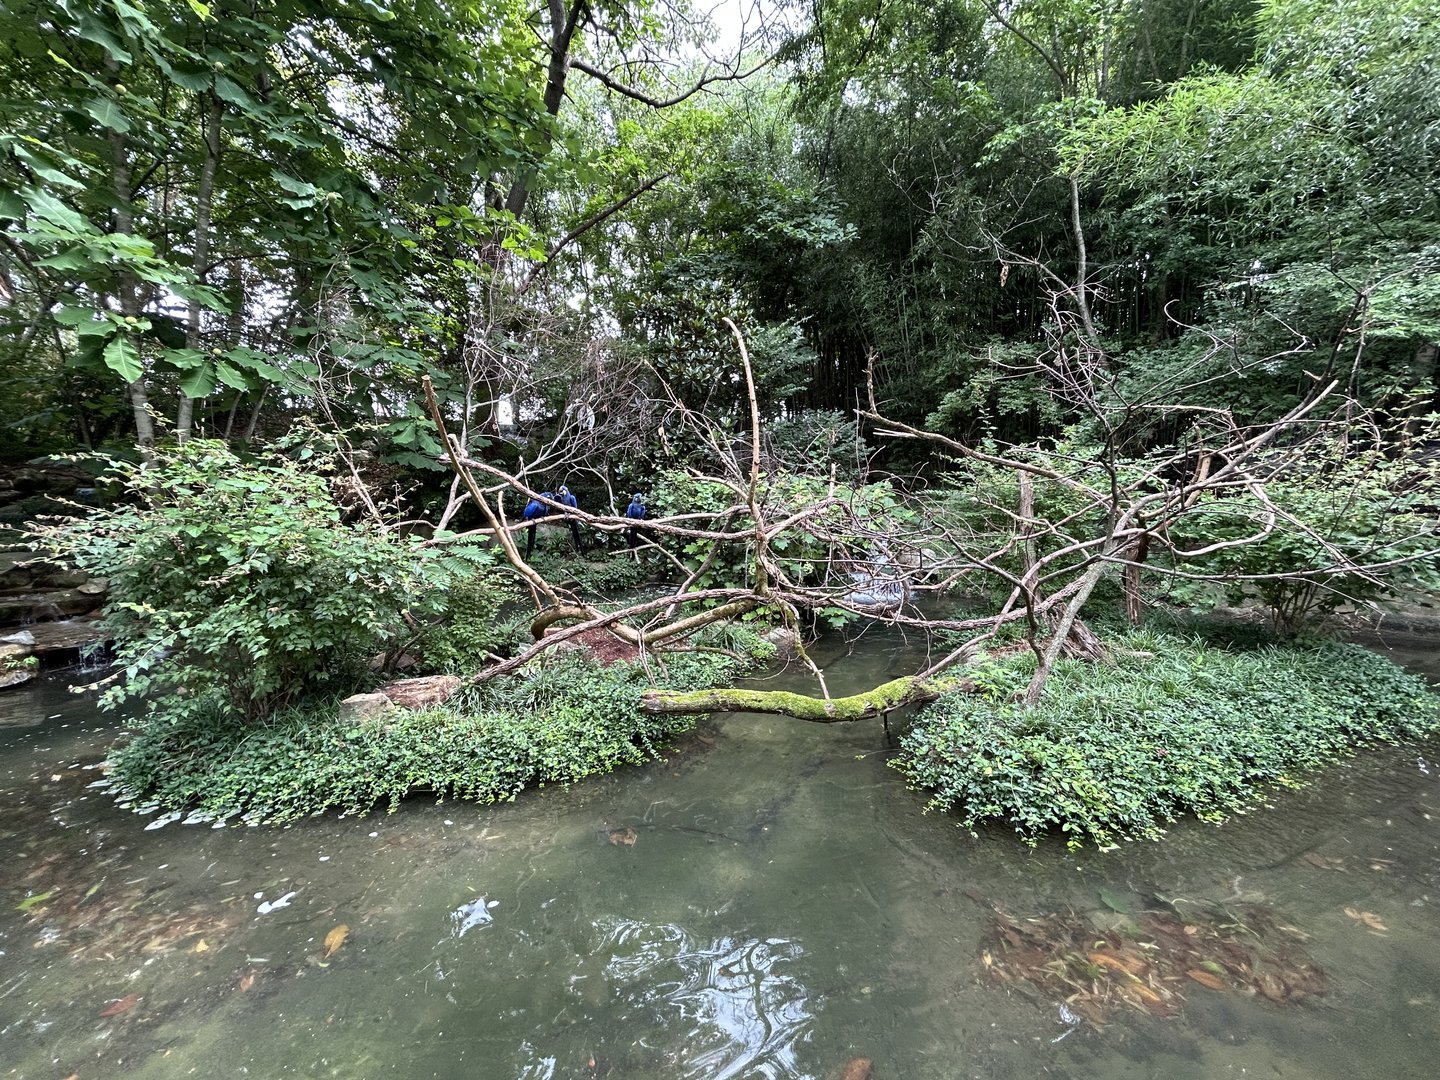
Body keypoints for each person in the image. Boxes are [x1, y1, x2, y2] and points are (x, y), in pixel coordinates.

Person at [522, 491, 553, 558]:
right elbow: (526, 514)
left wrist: (541, 518)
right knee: (531, 536)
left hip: (537, 519)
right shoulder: (535, 504)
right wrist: (530, 519)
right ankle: (528, 554)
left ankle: (530, 553)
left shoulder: (545, 506)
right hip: (531, 519)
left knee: (532, 536)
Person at [557, 485, 585, 553]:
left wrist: (572, 515)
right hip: (567, 515)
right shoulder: (562, 498)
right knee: (573, 532)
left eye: (563, 490)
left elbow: (575, 509)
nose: (562, 492)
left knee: (576, 532)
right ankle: (577, 548)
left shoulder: (571, 497)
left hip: (573, 516)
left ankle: (581, 549)